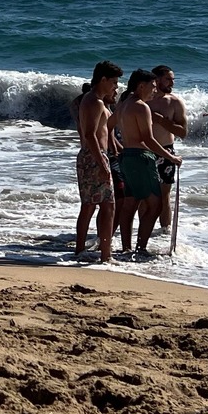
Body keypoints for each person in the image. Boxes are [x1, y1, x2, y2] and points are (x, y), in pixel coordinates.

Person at [114, 68, 182, 255]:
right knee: (155, 204)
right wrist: (171, 157)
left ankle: (127, 247)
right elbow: (148, 139)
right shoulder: (141, 106)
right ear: (141, 86)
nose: (154, 90)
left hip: (126, 155)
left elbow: (109, 126)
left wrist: (117, 147)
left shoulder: (124, 104)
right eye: (152, 87)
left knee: (130, 203)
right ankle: (140, 247)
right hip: (140, 158)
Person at [75, 61, 121, 263]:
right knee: (108, 206)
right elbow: (90, 134)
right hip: (94, 155)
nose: (115, 86)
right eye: (113, 82)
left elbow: (103, 130)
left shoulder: (92, 99)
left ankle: (81, 250)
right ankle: (106, 255)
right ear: (103, 79)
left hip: (89, 155)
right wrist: (102, 164)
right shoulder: (95, 101)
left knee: (89, 205)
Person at [149, 65, 188, 233]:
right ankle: (145, 231)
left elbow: (183, 132)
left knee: (164, 196)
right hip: (143, 150)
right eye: (168, 79)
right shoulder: (143, 99)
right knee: (146, 197)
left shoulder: (174, 101)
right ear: (156, 80)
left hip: (166, 150)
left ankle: (165, 231)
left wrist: (162, 121)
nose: (172, 82)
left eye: (173, 79)